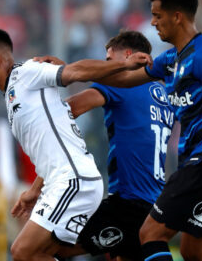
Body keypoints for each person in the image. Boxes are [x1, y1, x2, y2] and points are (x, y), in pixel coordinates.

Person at [36, 0, 202, 260]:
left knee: (150, 234)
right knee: (192, 250)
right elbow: (123, 78)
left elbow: (75, 106)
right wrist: (70, 70)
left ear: (177, 16)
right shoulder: (169, 62)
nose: (153, 22)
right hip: (185, 168)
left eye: (157, 15)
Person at [0, 27, 151, 260]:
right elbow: (53, 146)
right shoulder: (14, 94)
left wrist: (124, 64)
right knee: (43, 253)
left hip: (73, 181)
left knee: (22, 250)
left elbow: (74, 72)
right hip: (60, 182)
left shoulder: (26, 72)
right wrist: (34, 190)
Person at [58, 31, 174, 261]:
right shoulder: (165, 94)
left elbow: (69, 110)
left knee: (50, 248)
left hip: (128, 202)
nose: (105, 67)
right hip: (155, 201)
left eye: (109, 60)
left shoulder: (122, 84)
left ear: (128, 56)